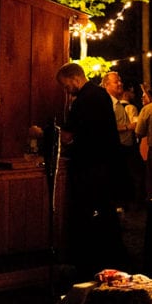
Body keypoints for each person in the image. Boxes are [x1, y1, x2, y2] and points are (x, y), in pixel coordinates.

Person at [56, 62, 128, 279]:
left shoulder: (84, 100)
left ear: (75, 78)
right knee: (105, 210)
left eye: (65, 85)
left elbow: (71, 135)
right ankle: (113, 255)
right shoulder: (101, 95)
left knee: (88, 212)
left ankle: (90, 258)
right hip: (107, 163)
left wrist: (49, 134)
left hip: (89, 165)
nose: (66, 90)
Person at [102, 70, 140, 208]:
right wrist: (128, 126)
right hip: (116, 149)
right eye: (116, 81)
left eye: (120, 81)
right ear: (106, 85)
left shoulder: (117, 103)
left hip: (124, 149)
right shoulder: (107, 103)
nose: (120, 83)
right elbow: (105, 127)